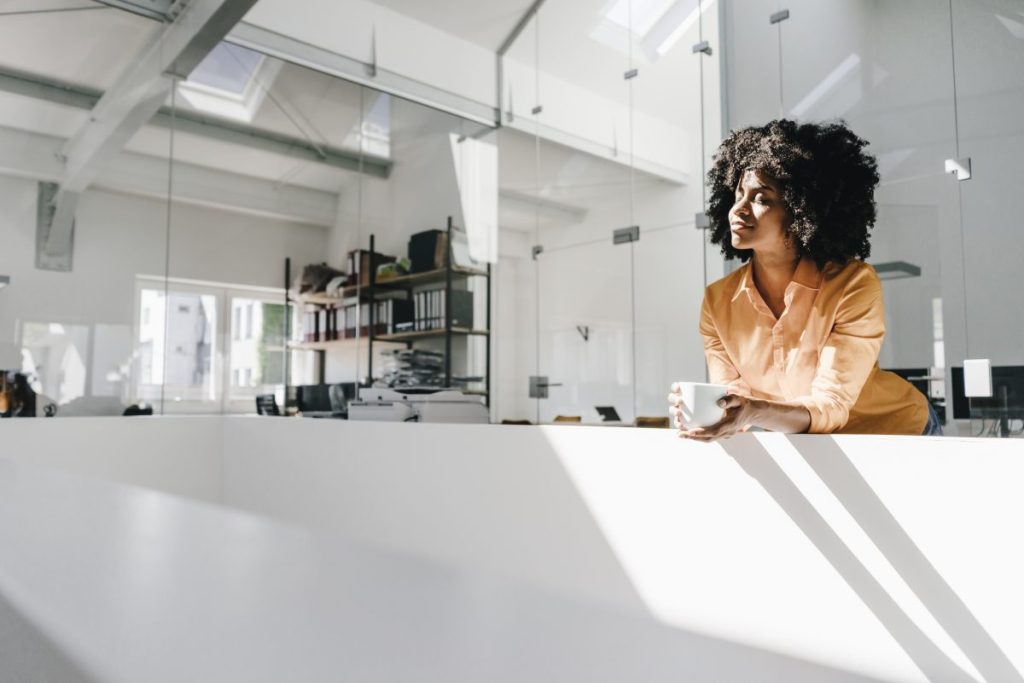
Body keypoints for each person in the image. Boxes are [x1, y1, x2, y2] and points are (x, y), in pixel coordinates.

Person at [668, 119, 939, 441]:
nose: (738, 210)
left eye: (761, 199)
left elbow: (831, 405)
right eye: (738, 194)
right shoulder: (717, 301)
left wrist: (753, 411)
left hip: (893, 429)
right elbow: (734, 396)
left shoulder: (852, 283)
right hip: (809, 443)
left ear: (802, 211)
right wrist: (717, 410)